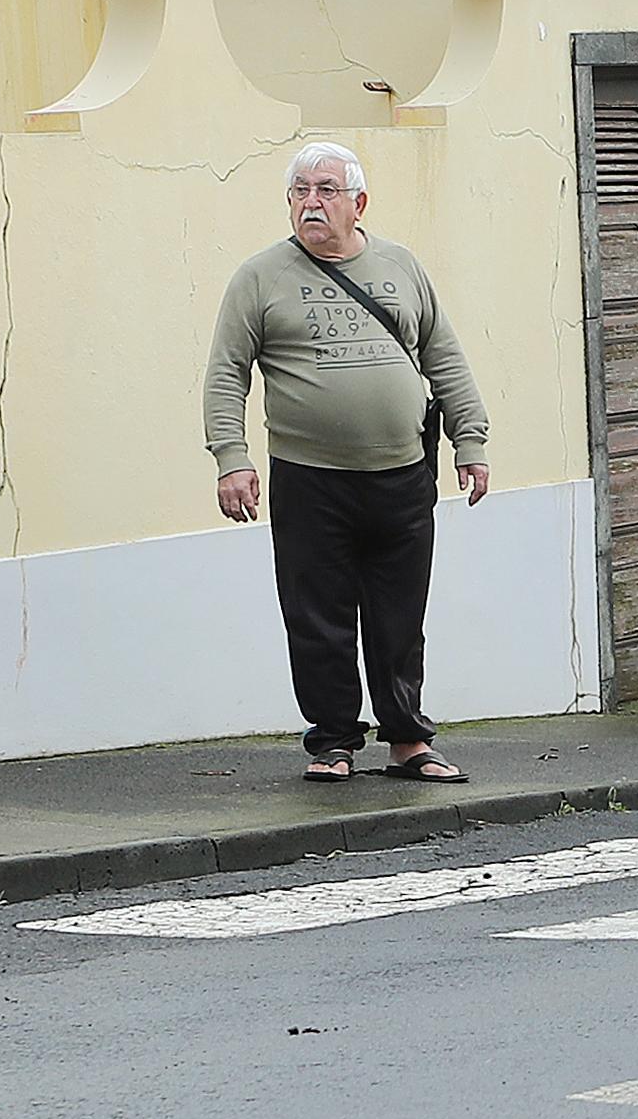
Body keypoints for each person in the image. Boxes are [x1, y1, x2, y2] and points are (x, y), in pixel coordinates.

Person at [203, 141, 491, 783]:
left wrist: (469, 441)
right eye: (301, 190)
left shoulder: (400, 266)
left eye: (327, 189)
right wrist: (232, 459)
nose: (312, 201)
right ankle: (333, 741)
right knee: (317, 615)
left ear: (358, 203)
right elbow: (226, 373)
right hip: (310, 478)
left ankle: (408, 741)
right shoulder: (260, 277)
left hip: (403, 473)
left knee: (399, 614)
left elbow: (444, 357)